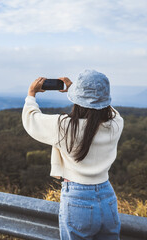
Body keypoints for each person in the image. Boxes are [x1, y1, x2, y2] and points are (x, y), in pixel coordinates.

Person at [22, 69, 124, 240]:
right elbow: (107, 109)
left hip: (78, 198)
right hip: (108, 197)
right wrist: (79, 91)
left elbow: (31, 119)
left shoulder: (65, 126)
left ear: (77, 100)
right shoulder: (116, 124)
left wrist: (31, 94)